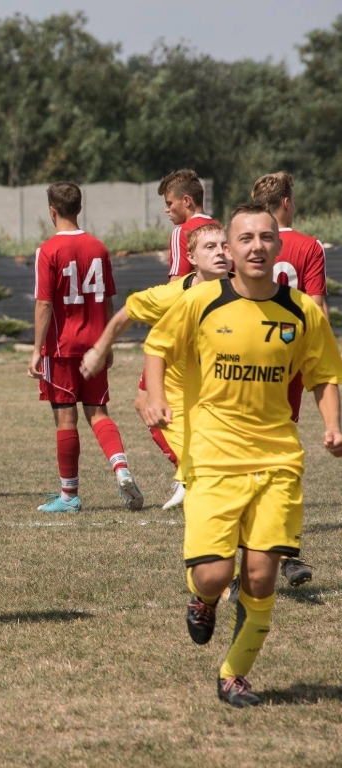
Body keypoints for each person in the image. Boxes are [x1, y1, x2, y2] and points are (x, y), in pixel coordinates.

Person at [141, 204, 342, 707]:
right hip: (213, 456)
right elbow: (158, 345)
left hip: (278, 459)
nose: (256, 247)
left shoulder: (301, 311)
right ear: (229, 249)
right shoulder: (201, 301)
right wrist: (155, 394)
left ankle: (233, 675)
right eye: (245, 238)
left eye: (265, 238)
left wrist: (333, 425)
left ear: (278, 246)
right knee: (215, 574)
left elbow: (323, 374)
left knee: (260, 575)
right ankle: (203, 597)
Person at [81, 224, 230, 509]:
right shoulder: (172, 295)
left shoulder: (248, 291)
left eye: (225, 246)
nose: (220, 252)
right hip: (180, 400)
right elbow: (128, 311)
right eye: (210, 247)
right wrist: (100, 349)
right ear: (192, 257)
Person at [28, 182, 142, 513]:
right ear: (79, 208)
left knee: (66, 419)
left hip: (61, 349)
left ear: (52, 211)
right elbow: (107, 300)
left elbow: (44, 304)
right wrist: (107, 342)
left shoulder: (47, 250)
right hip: (94, 345)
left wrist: (36, 350)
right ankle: (121, 468)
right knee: (98, 412)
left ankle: (69, 496)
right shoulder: (99, 248)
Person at [252, 171, 329, 586]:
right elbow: (315, 308)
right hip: (291, 359)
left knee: (253, 453)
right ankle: (285, 553)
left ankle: (262, 554)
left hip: (248, 354)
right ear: (286, 202)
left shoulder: (247, 242)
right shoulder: (307, 245)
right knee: (281, 452)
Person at [159, 169, 218, 282]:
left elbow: (177, 283)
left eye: (169, 203)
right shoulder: (220, 230)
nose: (166, 209)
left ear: (187, 201)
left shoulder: (181, 232)